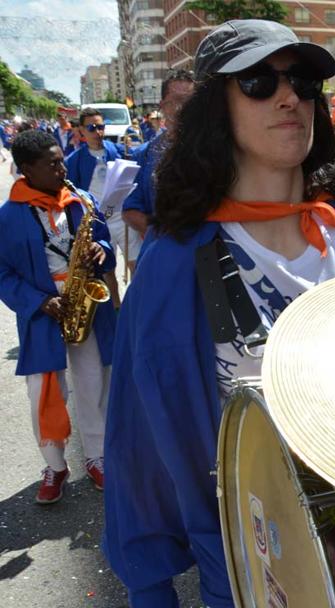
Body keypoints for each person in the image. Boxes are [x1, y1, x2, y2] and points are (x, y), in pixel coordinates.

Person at [101, 20, 335, 608]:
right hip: (253, 567)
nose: (288, 97)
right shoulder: (175, 266)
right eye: (256, 81)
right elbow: (139, 442)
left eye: (302, 81)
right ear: (214, 110)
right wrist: (149, 586)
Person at [0, 130, 115, 504]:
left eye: (61, 159)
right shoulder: (8, 216)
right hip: (43, 310)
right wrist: (37, 302)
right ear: (27, 170)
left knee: (93, 382)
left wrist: (102, 249)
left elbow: (106, 245)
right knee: (44, 392)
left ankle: (97, 457)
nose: (62, 168)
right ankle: (54, 465)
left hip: (86, 302)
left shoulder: (82, 200)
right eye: (52, 164)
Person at [122, 69, 196, 242]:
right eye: (177, 100)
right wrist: (163, 237)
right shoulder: (143, 155)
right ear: (162, 105)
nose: (183, 107)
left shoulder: (215, 148)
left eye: (190, 101)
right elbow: (130, 210)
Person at [65, 108, 127, 305]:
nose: (98, 131)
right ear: (82, 130)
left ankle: (136, 307)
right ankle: (117, 308)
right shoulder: (74, 160)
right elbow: (71, 193)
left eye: (101, 126)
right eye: (92, 127)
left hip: (121, 216)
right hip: (97, 221)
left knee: (137, 264)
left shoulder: (117, 150)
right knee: (108, 269)